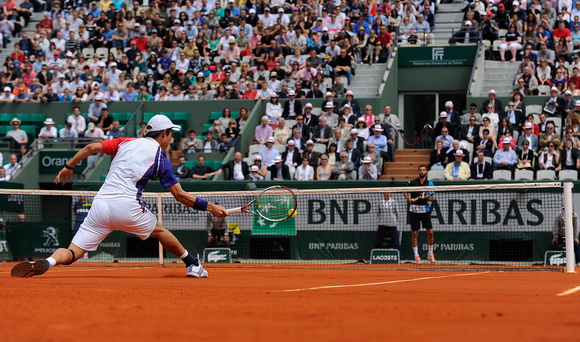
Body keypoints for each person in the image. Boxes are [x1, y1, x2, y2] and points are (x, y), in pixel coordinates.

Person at [11, 114, 227, 279]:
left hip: (100, 206)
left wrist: (69, 167)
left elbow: (89, 147)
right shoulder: (161, 158)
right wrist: (211, 207)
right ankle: (193, 265)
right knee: (160, 231)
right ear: (163, 134)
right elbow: (180, 195)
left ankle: (49, 261)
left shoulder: (125, 142)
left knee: (72, 252)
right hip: (126, 206)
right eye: (171, 134)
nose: (172, 138)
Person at [404, 165, 436, 264]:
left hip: (424, 210)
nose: (422, 172)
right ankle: (416, 255)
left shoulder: (430, 183)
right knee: (414, 233)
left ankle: (430, 254)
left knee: (430, 232)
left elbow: (431, 198)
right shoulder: (412, 182)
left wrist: (424, 198)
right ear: (418, 171)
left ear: (426, 172)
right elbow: (404, 190)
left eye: (424, 170)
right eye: (420, 170)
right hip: (414, 210)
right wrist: (409, 199)